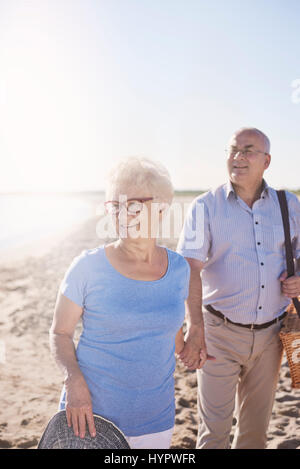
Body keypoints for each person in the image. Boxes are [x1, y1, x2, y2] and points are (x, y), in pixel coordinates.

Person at [49, 156, 191, 450]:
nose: (123, 214)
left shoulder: (179, 269)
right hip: (89, 418)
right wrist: (72, 382)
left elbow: (170, 334)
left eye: (134, 204)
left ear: (162, 208)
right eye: (115, 206)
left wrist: (192, 348)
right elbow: (60, 333)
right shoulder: (87, 267)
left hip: (156, 420)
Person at [177, 127, 300, 449]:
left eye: (248, 150)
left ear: (267, 160)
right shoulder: (204, 206)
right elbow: (189, 268)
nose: (238, 157)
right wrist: (196, 327)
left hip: (273, 336)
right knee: (213, 433)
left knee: (255, 434)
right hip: (219, 332)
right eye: (233, 150)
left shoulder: (289, 204)